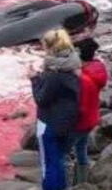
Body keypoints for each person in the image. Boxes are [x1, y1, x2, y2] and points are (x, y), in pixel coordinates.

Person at [31, 29, 80, 190]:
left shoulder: (53, 74)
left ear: (50, 47)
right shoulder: (74, 65)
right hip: (68, 120)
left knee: (49, 163)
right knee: (60, 158)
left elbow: (41, 99)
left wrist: (34, 79)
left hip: (49, 123)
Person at [71, 38, 108, 185]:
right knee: (81, 150)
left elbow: (79, 106)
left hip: (79, 122)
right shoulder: (97, 69)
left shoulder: (83, 79)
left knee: (65, 154)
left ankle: (78, 183)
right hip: (91, 119)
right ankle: (82, 182)